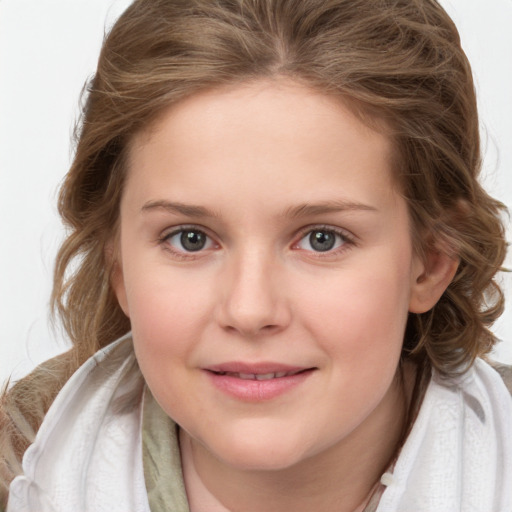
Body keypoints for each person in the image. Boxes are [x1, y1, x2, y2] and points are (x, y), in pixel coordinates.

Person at [1, 0, 511, 510]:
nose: (250, 310)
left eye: (322, 239)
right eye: (190, 238)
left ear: (433, 258)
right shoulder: (22, 467)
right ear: (118, 264)